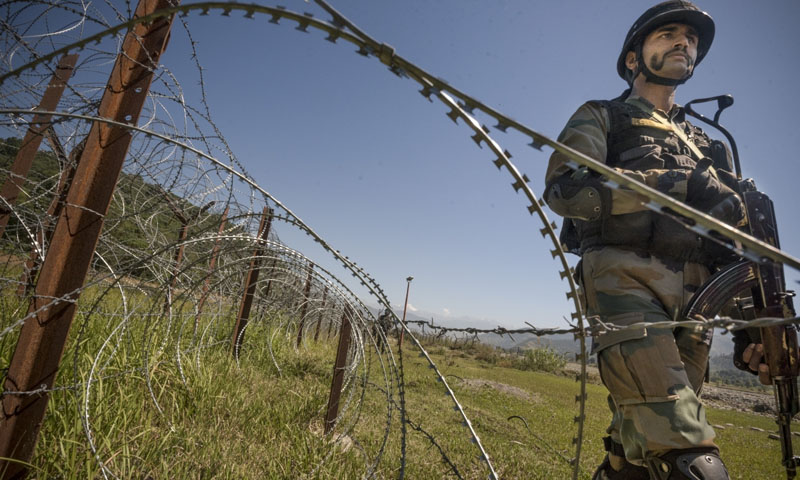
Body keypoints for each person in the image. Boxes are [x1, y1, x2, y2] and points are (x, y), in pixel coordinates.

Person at [544, 2, 749, 479]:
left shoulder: (710, 144)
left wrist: (749, 327)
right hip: (625, 280)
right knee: (686, 453)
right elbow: (567, 188)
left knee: (634, 449)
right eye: (668, 34)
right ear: (633, 57)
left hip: (700, 301)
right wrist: (678, 187)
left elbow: (732, 243)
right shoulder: (604, 116)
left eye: (691, 38)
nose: (684, 42)